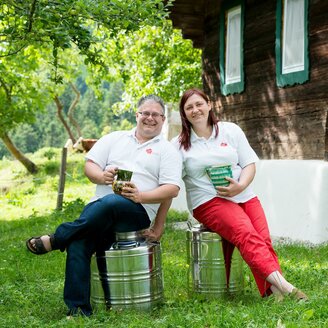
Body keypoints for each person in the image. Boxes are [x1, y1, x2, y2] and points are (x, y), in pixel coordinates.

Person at [26, 94, 182, 317]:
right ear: (136, 115)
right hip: (98, 209)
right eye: (145, 113)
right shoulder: (114, 138)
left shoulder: (167, 151)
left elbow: (171, 189)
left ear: (163, 119)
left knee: (113, 201)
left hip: (137, 211)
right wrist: (102, 176)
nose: (150, 118)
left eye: (155, 114)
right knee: (79, 243)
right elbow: (90, 165)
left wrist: (141, 197)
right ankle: (78, 311)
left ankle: (57, 239)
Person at [171, 88, 308, 301]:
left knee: (263, 240)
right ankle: (289, 290)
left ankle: (273, 295)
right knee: (246, 234)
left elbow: (249, 163)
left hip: (244, 195)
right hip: (207, 201)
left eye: (199, 104)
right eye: (189, 107)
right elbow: (170, 180)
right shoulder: (178, 145)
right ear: (184, 113)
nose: (195, 110)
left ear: (209, 105)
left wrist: (240, 185)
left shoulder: (230, 131)